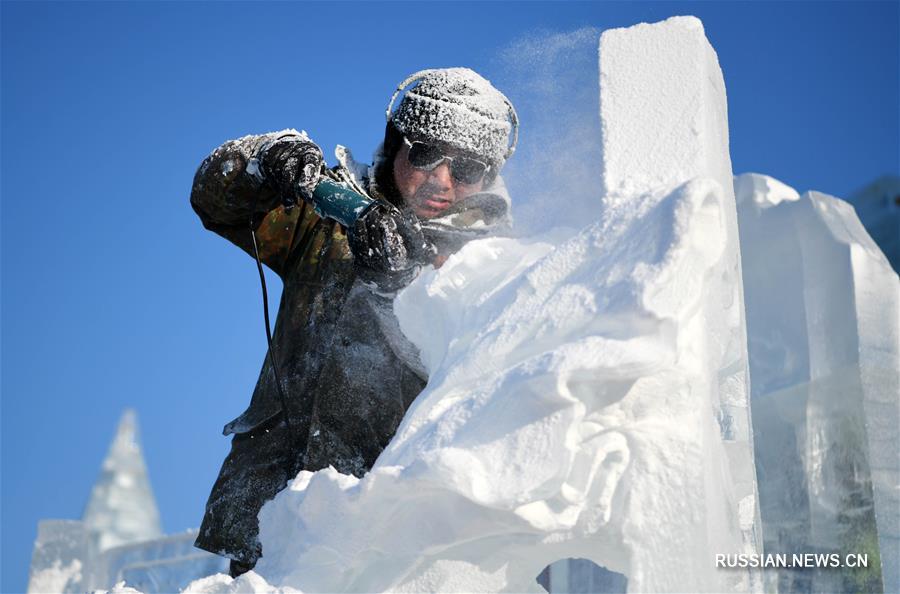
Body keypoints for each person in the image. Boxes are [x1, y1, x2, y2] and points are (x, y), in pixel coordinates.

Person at [190, 67, 518, 577]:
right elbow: (216, 200)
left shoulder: (500, 265)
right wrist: (263, 158)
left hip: (389, 536)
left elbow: (481, 380)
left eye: (468, 168)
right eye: (427, 155)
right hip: (273, 513)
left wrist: (398, 290)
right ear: (396, 145)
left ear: (490, 176)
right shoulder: (328, 224)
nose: (442, 181)